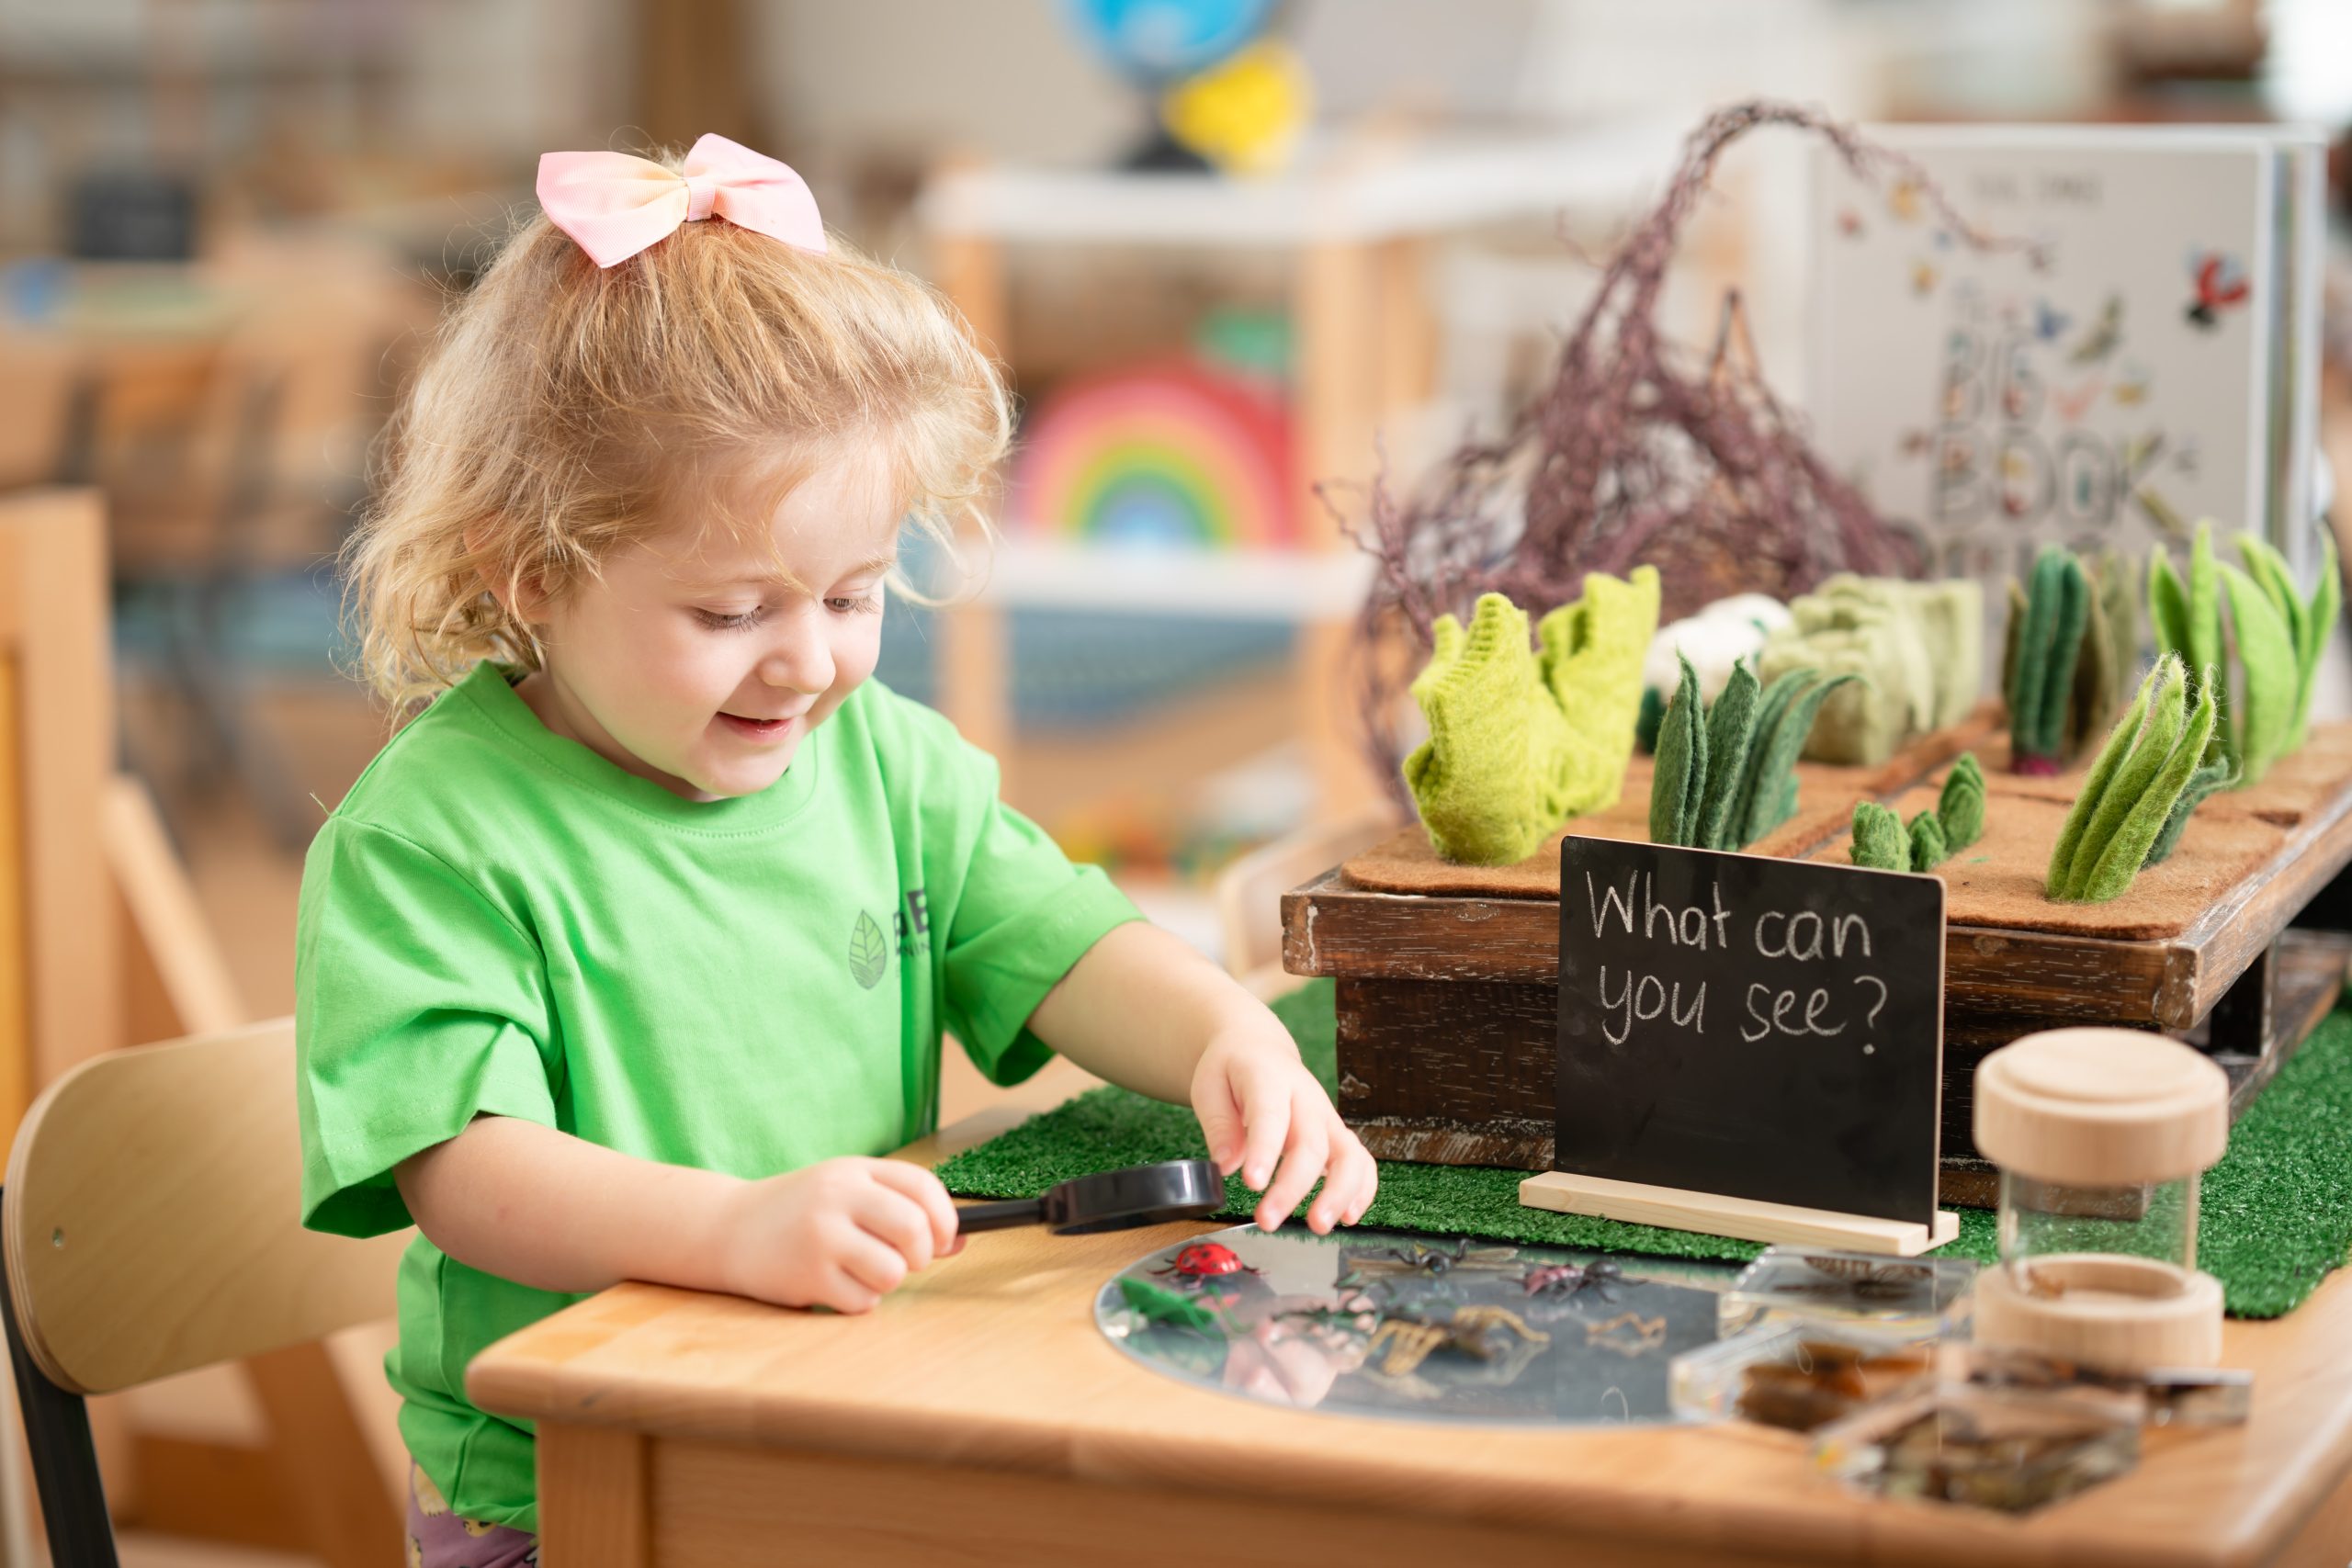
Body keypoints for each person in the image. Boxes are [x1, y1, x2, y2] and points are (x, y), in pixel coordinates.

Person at [296, 134, 1375, 1559]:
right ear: (535, 574)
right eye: (734, 613)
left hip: (849, 1393)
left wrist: (1224, 1038)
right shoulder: (431, 842)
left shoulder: (884, 763)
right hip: (579, 1481)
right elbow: (469, 1174)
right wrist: (735, 1231)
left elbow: (1064, 944)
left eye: (856, 594)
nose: (808, 664)